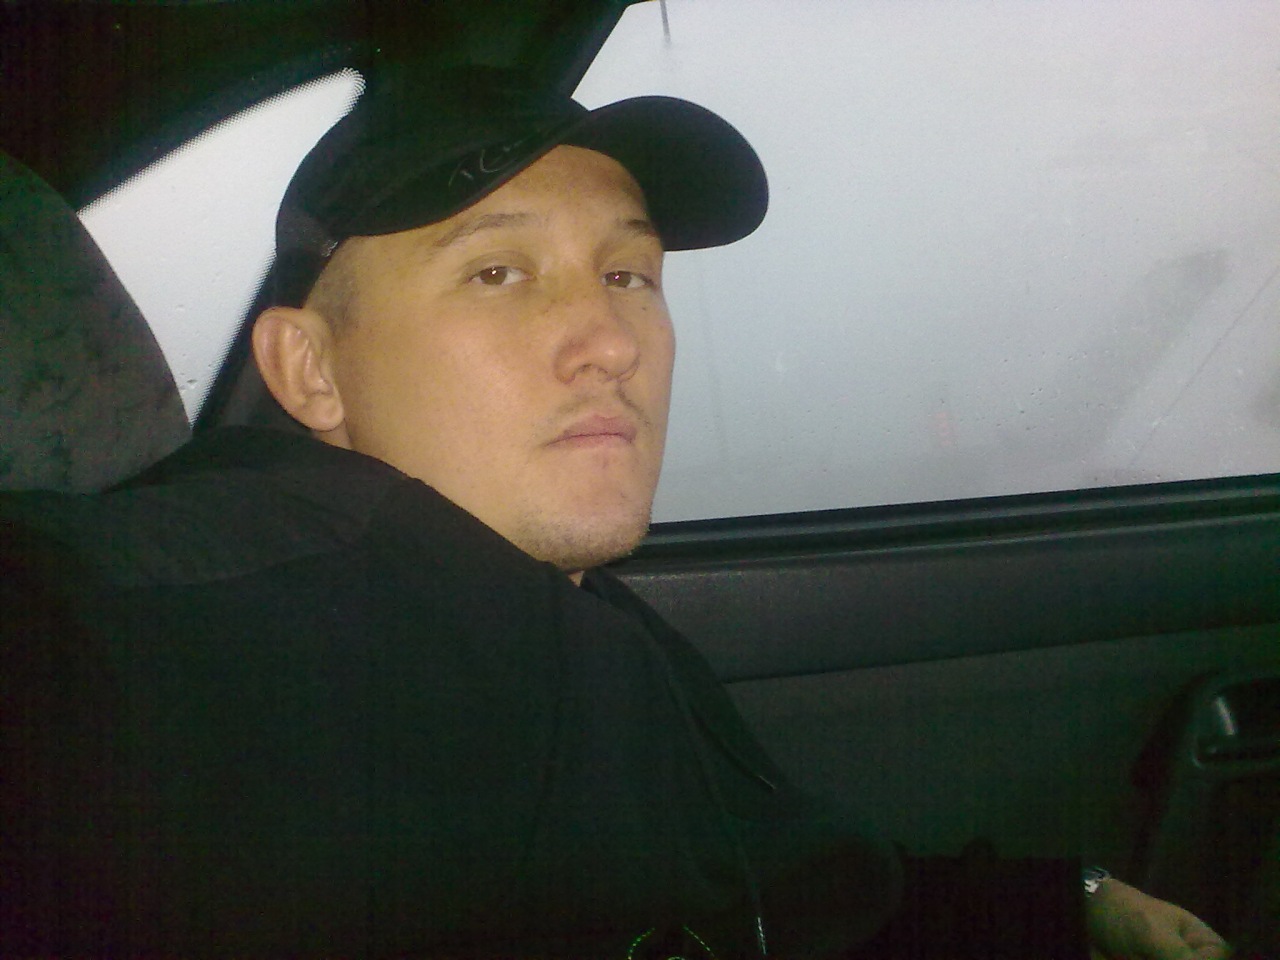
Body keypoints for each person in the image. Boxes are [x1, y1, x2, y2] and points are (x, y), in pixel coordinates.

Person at [0, 65, 1230, 959]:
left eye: (628, 273)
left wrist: (1067, 908)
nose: (609, 340)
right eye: (497, 271)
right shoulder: (169, 621)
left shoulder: (571, 604)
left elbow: (788, 888)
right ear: (310, 369)